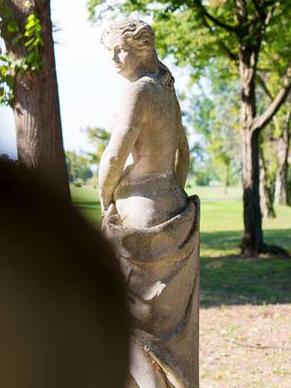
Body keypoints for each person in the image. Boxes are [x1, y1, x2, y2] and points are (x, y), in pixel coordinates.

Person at [98, 19, 200, 388]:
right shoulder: (166, 91)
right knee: (163, 324)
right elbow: (183, 156)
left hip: (136, 210)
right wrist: (171, 192)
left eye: (120, 49)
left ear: (142, 48)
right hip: (171, 202)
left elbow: (114, 156)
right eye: (107, 51)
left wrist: (105, 195)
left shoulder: (138, 92)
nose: (113, 58)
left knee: (132, 321)